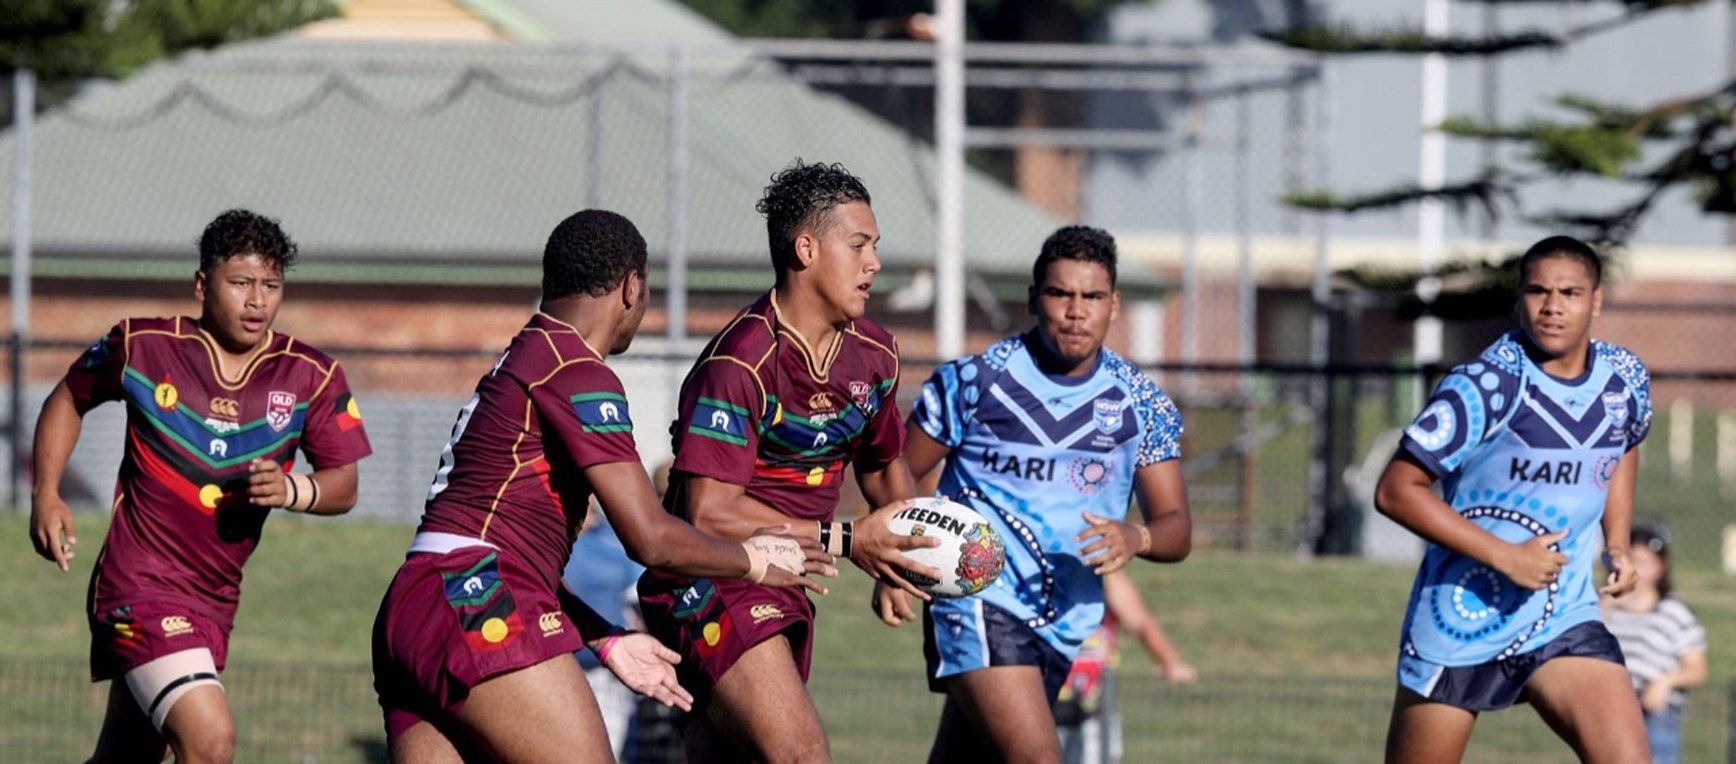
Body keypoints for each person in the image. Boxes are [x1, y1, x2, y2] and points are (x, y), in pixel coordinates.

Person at [371, 209, 834, 763]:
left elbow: (495, 548)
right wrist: (751, 560)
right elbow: (649, 537)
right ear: (631, 287)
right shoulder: (575, 369)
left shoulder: (526, 358)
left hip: (416, 605)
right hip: (476, 596)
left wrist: (603, 635)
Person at [27, 208, 375, 763]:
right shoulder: (143, 346)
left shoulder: (310, 375)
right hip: (138, 587)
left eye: (271, 285)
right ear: (201, 285)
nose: (256, 300)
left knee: (127, 759)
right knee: (209, 742)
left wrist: (293, 491)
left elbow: (346, 484)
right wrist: (46, 493)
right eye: (240, 283)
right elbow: (68, 398)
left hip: (214, 599)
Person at [637, 159, 941, 764]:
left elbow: (883, 467)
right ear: (806, 249)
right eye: (858, 245)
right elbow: (711, 512)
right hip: (711, 578)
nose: (874, 263)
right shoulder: (740, 363)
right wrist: (851, 540)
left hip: (787, 582)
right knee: (802, 754)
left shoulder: (875, 353)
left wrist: (901, 553)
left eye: (874, 246)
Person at [892, 224, 1194, 764]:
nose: (1077, 311)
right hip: (977, 597)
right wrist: (900, 561)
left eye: (1093, 296)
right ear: (1035, 300)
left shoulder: (1141, 403)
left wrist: (1137, 535)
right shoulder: (974, 383)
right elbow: (893, 475)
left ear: (1114, 305)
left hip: (1066, 618)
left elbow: (1176, 527)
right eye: (1061, 294)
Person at [1374, 234, 1653, 764]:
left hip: (1562, 617)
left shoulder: (1625, 380)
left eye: (1570, 293)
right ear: (1518, 298)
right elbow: (1395, 491)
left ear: (1596, 301)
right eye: (1537, 291)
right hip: (1461, 616)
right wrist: (1508, 557)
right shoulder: (1485, 385)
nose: (1552, 306)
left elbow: (1625, 443)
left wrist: (1615, 542)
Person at [1055, 570, 1197, 764]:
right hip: (1038, 709)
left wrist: (1170, 662)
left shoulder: (1106, 575)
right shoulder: (1030, 567)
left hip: (1093, 711)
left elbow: (1141, 622)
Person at [1602, 525, 1706, 764]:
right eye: (1633, 561)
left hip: (1654, 712)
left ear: (1661, 566)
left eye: (1645, 562)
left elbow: (1696, 669)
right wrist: (1605, 604)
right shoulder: (1604, 605)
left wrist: (1664, 682)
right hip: (1611, 707)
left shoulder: (1674, 611)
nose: (1638, 569)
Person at [566, 502, 648, 760]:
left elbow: (635, 601)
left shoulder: (613, 539)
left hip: (608, 669)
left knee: (607, 748)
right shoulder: (554, 537)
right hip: (562, 665)